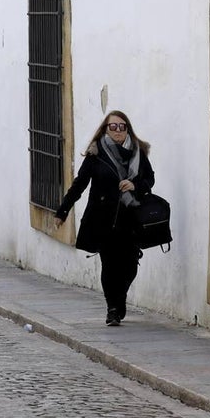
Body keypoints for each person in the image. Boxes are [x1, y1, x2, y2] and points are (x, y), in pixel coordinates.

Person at [54, 111, 155, 326]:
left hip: (131, 219)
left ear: (128, 128)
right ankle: (113, 308)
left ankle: (121, 297)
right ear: (105, 129)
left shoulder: (139, 152)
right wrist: (63, 211)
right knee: (109, 264)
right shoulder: (96, 154)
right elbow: (80, 184)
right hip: (104, 218)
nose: (118, 130)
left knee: (129, 265)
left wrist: (135, 185)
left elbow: (150, 179)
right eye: (113, 127)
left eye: (122, 126)